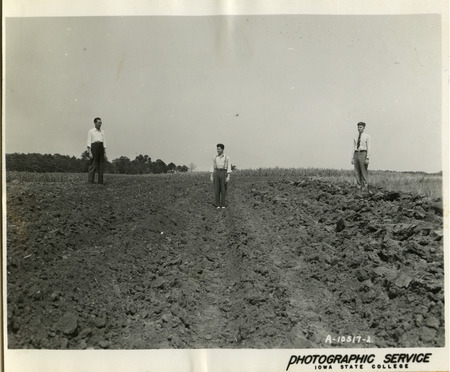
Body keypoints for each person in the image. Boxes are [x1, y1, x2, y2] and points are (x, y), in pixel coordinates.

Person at [210, 144, 231, 209]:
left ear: (222, 149)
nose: (217, 150)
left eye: (219, 149)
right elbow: (212, 166)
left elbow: (229, 167)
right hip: (216, 172)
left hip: (223, 172)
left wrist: (228, 176)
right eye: (217, 149)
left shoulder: (226, 157)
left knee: (223, 189)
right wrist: (211, 176)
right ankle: (217, 204)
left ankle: (223, 204)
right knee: (216, 189)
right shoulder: (215, 157)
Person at [351, 121, 371, 190]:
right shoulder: (355, 136)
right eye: (358, 127)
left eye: (360, 127)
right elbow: (353, 147)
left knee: (363, 170)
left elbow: (369, 147)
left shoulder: (367, 136)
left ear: (364, 128)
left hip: (363, 153)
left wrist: (367, 157)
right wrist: (352, 157)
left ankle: (365, 187)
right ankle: (358, 186)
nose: (359, 128)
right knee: (356, 171)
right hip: (356, 153)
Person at [87, 117, 106, 184]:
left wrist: (104, 152)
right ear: (95, 123)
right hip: (94, 147)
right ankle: (90, 182)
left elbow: (104, 142)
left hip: (101, 148)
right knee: (93, 165)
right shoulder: (91, 131)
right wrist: (90, 152)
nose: (100, 124)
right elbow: (89, 142)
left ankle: (100, 182)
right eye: (98, 123)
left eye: (100, 123)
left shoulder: (102, 131)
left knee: (101, 166)